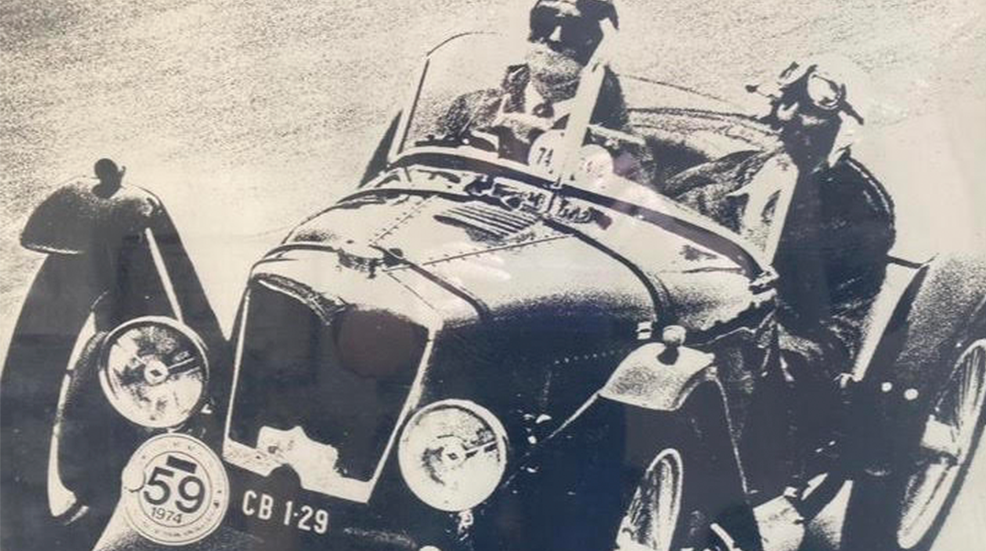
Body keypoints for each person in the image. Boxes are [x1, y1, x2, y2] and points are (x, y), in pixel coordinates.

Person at [664, 60, 896, 487]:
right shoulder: (740, 171)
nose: (785, 116)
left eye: (806, 110)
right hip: (714, 303)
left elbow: (824, 308)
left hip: (804, 330)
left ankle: (743, 487)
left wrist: (756, 296)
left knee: (743, 364)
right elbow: (674, 210)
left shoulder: (861, 207)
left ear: (843, 125)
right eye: (785, 102)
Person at [438, 0, 629, 159]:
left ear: (604, 47)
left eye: (575, 29)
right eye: (544, 20)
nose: (553, 37)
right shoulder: (471, 108)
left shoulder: (620, 142)